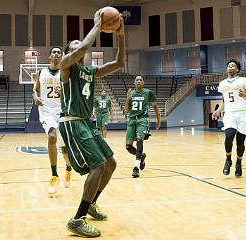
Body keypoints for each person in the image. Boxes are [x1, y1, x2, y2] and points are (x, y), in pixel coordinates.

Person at [58, 9, 125, 238]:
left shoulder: (91, 71)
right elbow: (84, 48)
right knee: (97, 166)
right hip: (72, 122)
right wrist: (97, 25)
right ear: (70, 52)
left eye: (81, 44)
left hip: (87, 123)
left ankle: (92, 203)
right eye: (75, 45)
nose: (81, 47)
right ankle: (77, 219)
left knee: (111, 163)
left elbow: (120, 62)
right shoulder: (65, 66)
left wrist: (121, 34)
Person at [33, 46, 72, 195]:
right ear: (49, 56)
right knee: (52, 137)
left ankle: (68, 168)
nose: (56, 54)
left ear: (62, 56)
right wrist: (35, 97)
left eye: (59, 52)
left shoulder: (66, 72)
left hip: (62, 111)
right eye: (54, 52)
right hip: (46, 111)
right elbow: (35, 89)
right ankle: (54, 175)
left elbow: (72, 91)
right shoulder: (41, 72)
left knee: (64, 148)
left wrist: (65, 91)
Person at [212, 59, 246, 177]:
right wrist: (218, 110)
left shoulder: (244, 80)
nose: (230, 67)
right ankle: (228, 160)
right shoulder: (222, 84)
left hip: (242, 113)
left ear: (237, 69)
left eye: (233, 66)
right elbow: (224, 101)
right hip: (229, 114)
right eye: (229, 66)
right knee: (229, 136)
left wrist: (244, 95)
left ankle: (239, 163)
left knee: (240, 142)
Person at [124, 75, 161, 178]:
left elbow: (155, 106)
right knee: (128, 146)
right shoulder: (131, 93)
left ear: (143, 83)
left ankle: (136, 167)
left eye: (140, 80)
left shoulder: (148, 93)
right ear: (134, 83)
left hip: (142, 119)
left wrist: (158, 120)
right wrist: (127, 99)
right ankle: (142, 156)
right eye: (137, 80)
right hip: (131, 120)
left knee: (140, 140)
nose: (139, 81)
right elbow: (127, 110)